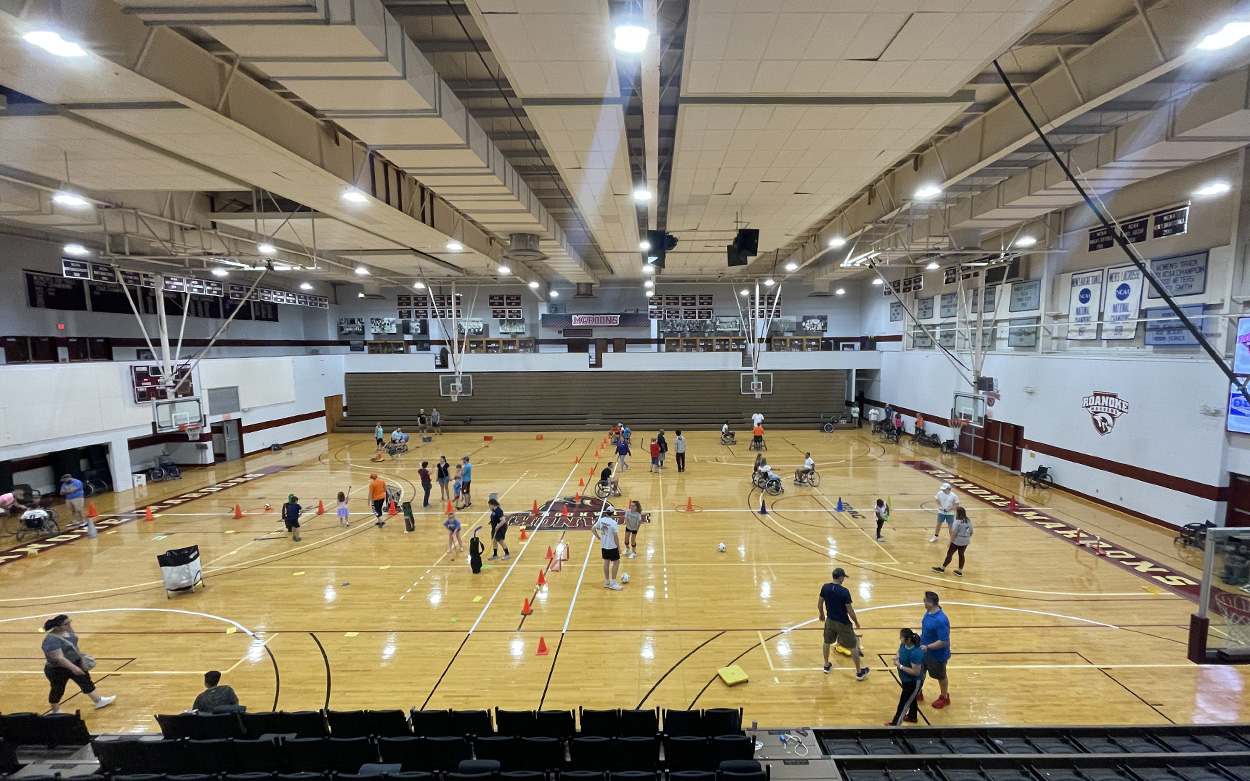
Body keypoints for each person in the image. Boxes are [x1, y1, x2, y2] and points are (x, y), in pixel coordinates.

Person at [42, 615, 115, 712]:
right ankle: (55, 711)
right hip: (57, 669)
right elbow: (59, 658)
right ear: (57, 627)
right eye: (66, 624)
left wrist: (80, 657)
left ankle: (98, 701)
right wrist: (74, 668)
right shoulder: (51, 640)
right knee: (58, 689)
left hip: (75, 662)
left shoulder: (68, 630)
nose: (69, 625)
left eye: (69, 622)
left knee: (86, 681)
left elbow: (73, 644)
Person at [818, 567, 869, 680]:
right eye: (843, 577)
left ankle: (826, 665)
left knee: (826, 642)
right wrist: (856, 621)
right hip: (843, 623)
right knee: (852, 646)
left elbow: (820, 602)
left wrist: (821, 614)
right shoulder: (844, 592)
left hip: (830, 621)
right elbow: (850, 610)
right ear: (840, 577)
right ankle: (859, 672)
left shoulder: (825, 587)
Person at [919, 591, 952, 708]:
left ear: (931, 603)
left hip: (937, 655)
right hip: (924, 651)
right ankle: (918, 692)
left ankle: (945, 697)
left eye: (925, 600)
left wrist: (928, 647)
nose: (923, 602)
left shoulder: (941, 620)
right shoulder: (928, 612)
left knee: (941, 676)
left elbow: (943, 641)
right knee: (920, 672)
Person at [887, 629, 925, 726]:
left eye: (901, 637)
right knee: (911, 699)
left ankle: (895, 725)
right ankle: (912, 716)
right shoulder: (903, 645)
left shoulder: (915, 653)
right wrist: (897, 658)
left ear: (908, 639)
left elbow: (916, 672)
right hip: (905, 678)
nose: (900, 639)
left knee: (903, 703)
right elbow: (899, 651)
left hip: (913, 681)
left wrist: (900, 666)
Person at [934, 507, 973, 576]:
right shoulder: (968, 520)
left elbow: (953, 533)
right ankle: (959, 571)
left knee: (950, 554)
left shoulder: (957, 522)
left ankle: (942, 568)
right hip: (966, 541)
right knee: (961, 554)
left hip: (957, 541)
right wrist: (967, 538)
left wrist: (950, 541)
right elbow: (971, 531)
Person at [593, 512, 622, 590]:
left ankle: (607, 581)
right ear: (613, 514)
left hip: (604, 545)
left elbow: (593, 529)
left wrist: (599, 537)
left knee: (606, 563)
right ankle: (613, 582)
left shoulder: (601, 520)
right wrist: (619, 547)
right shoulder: (613, 523)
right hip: (612, 546)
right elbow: (616, 537)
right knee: (616, 562)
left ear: (606, 513)